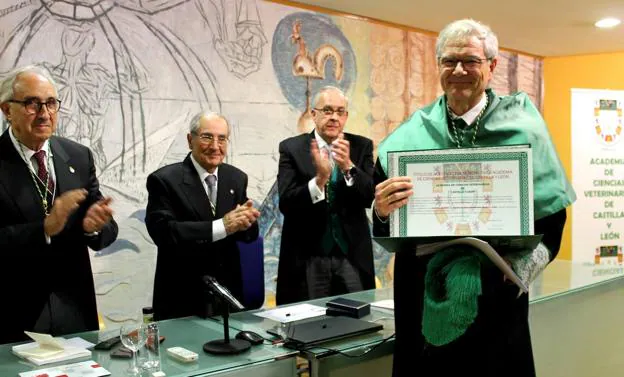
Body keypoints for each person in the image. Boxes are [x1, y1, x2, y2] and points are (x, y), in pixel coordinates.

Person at [372, 19, 576, 377]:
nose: (459, 70)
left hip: (495, 291)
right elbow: (385, 219)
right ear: (439, 67)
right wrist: (382, 210)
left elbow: (552, 219)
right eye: (449, 61)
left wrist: (521, 270)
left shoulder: (525, 130)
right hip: (422, 291)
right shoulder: (409, 135)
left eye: (471, 60)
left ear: (492, 66)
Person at [0, 65, 118, 344]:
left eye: (51, 103)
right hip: (13, 314)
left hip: (74, 311)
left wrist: (93, 227)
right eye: (32, 103)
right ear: (7, 110)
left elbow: (106, 229)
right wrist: (44, 229)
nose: (44, 113)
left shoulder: (78, 157)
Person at [145, 111, 260, 321]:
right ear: (190, 140)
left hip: (228, 295)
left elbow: (247, 236)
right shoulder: (164, 180)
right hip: (182, 297)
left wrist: (248, 223)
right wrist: (222, 226)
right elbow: (163, 233)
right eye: (207, 137)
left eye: (222, 138)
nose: (215, 146)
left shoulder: (236, 178)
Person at [276, 86, 376, 305]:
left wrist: (349, 167)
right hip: (308, 256)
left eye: (340, 112)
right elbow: (286, 203)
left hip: (351, 254)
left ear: (346, 116)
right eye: (327, 110)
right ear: (314, 114)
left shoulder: (361, 147)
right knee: (310, 322)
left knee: (358, 318)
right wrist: (319, 180)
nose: (334, 117)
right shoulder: (291, 148)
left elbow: (370, 197)